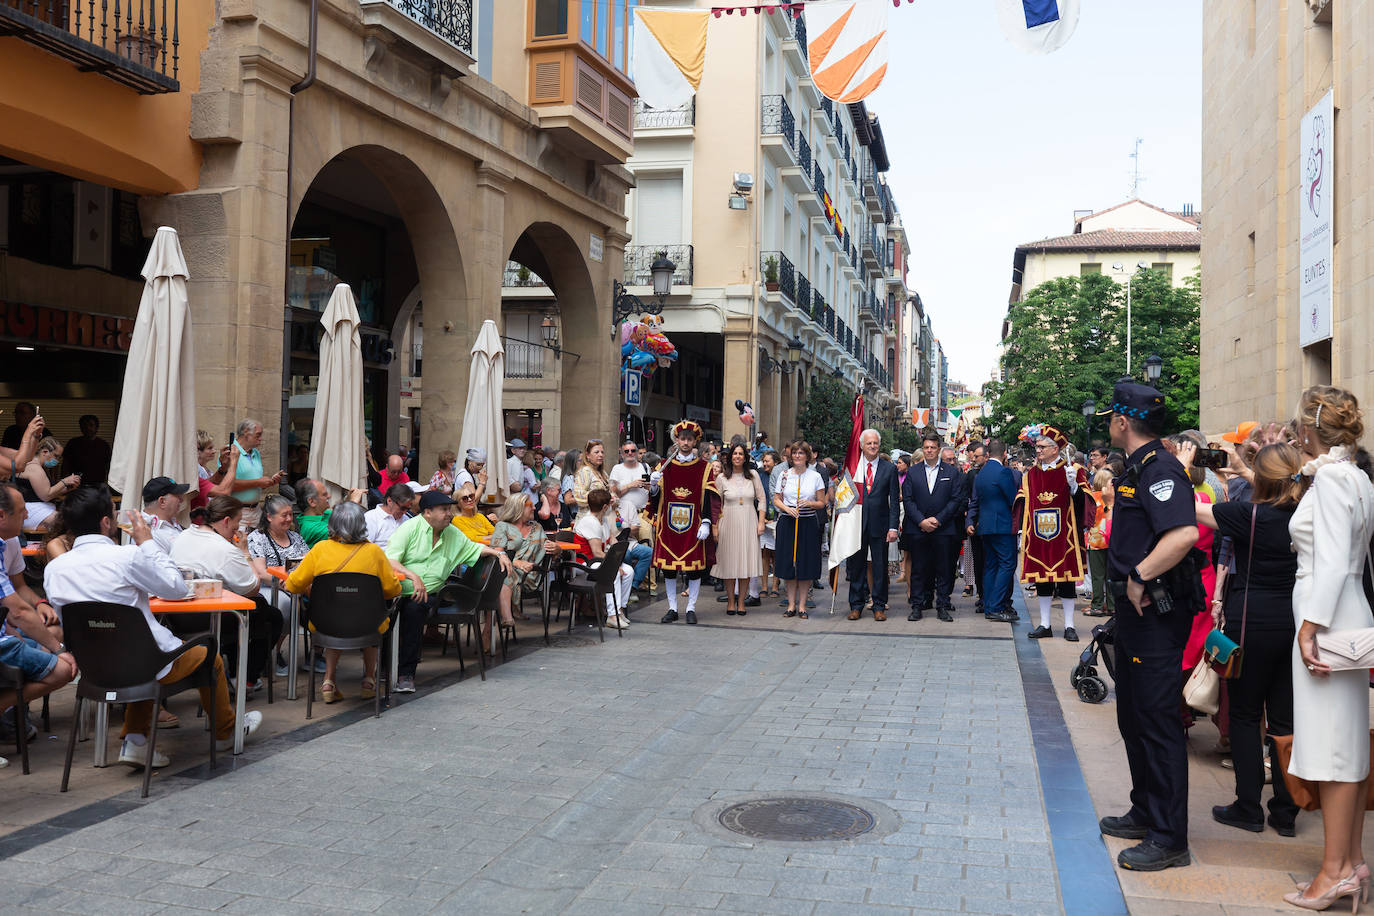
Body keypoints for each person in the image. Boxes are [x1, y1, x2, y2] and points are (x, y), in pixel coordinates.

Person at [44, 486, 261, 769]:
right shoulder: (126, 557)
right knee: (209, 656)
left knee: (139, 651)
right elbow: (175, 587)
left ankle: (135, 740)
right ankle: (226, 731)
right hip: (142, 661)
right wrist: (147, 542)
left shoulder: (55, 568)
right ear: (107, 522)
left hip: (93, 666)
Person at [1096, 380, 1200, 872]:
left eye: (1109, 419)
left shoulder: (1160, 469)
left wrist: (1140, 575)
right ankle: (1146, 811)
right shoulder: (1140, 467)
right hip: (1135, 616)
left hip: (1156, 614)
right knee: (1133, 717)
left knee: (1157, 723)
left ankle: (1168, 836)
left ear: (1121, 421)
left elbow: (1182, 534)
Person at [1281, 386, 1374, 908]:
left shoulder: (1335, 477)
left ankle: (1334, 871)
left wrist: (1310, 627)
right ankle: (1352, 863)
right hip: (1341, 610)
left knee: (1337, 753)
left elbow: (1335, 560)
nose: (1294, 435)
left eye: (1297, 427)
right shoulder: (1355, 475)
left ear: (1309, 430)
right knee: (1347, 748)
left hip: (1328, 615)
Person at [1192, 442, 1301, 838]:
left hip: (1250, 621)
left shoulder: (1245, 514)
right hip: (1294, 623)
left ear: (1262, 478)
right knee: (1286, 720)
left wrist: (1186, 468)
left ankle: (1248, 806)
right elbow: (1281, 484)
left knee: (1244, 714)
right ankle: (1287, 810)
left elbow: (1193, 510)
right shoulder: (1306, 512)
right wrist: (1240, 465)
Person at [385, 490, 514, 692]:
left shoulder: (451, 533)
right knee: (385, 613)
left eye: (449, 509)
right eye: (444, 510)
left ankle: (405, 674)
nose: (449, 514)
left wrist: (499, 553)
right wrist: (413, 576)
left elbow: (474, 548)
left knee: (414, 609)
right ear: (427, 512)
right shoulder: (409, 529)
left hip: (432, 595)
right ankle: (384, 669)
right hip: (398, 591)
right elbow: (390, 560)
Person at [285, 501, 401, 703]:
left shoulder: (320, 549)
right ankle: (369, 680)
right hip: (367, 624)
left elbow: (293, 586)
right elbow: (393, 590)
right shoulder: (374, 552)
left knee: (335, 617)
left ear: (333, 524)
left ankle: (328, 681)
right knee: (369, 618)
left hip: (326, 623)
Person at [171, 496, 283, 691]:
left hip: (177, 617)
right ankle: (245, 679)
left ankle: (231, 674)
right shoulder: (225, 550)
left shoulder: (184, 535)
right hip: (211, 619)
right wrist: (245, 552)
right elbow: (252, 586)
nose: (237, 527)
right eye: (237, 521)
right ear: (226, 521)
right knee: (269, 615)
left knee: (244, 609)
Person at [0, 483, 76, 746]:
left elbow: (17, 592)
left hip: (6, 629)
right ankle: (7, 712)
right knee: (63, 667)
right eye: (22, 511)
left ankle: (14, 715)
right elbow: (18, 610)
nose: (26, 516)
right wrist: (59, 649)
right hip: (5, 635)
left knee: (47, 634)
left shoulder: (6, 544)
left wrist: (41, 603)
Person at [1016, 425, 1089, 642]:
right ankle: (1045, 624)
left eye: (1041, 447)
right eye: (1037, 447)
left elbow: (1084, 502)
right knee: (1042, 581)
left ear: (1055, 449)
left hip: (1065, 533)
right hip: (1039, 535)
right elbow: (1023, 499)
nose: (1037, 451)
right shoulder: (1030, 475)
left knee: (1066, 580)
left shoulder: (1073, 470)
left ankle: (1069, 625)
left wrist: (1074, 485)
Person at [651, 420, 718, 625]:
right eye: (682, 438)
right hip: (669, 527)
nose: (686, 442)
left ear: (695, 441)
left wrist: (706, 522)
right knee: (669, 569)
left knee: (694, 568)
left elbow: (708, 497)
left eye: (689, 439)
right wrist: (653, 485)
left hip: (694, 525)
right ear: (677, 440)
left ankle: (690, 607)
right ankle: (672, 608)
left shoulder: (704, 468)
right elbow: (656, 498)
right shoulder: (664, 465)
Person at [902, 433, 965, 622]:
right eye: (926, 447)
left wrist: (938, 520)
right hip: (918, 528)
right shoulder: (913, 472)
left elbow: (955, 499)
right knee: (919, 569)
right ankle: (917, 606)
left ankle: (943, 606)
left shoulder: (951, 472)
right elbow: (908, 499)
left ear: (939, 449)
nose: (929, 450)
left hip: (944, 529)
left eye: (932, 447)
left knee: (945, 570)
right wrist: (921, 521)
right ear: (923, 449)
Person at [245, 493, 309, 677]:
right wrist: (281, 583)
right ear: (269, 517)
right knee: (285, 604)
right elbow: (260, 572)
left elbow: (309, 561)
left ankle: (316, 653)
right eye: (284, 515)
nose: (289, 519)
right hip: (269, 587)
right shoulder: (258, 538)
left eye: (290, 514)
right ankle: (273, 653)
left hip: (298, 586)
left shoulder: (295, 537)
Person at [844, 430, 900, 622]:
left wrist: (893, 527)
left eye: (875, 443)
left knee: (880, 567)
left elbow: (893, 500)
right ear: (861, 445)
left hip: (880, 526)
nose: (873, 446)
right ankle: (856, 606)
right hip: (856, 525)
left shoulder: (889, 469)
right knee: (856, 567)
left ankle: (878, 606)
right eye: (869, 443)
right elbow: (844, 498)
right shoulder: (853, 468)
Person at [712, 442, 766, 617]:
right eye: (735, 453)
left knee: (745, 562)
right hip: (727, 521)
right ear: (730, 457)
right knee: (729, 563)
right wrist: (715, 527)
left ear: (745, 457)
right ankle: (730, 601)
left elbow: (762, 500)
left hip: (749, 520)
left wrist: (761, 522)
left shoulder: (753, 476)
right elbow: (715, 504)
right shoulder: (721, 478)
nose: (737, 456)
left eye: (740, 454)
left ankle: (742, 602)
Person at [773, 440, 825, 620]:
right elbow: (776, 499)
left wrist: (809, 503)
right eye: (794, 453)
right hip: (788, 521)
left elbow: (822, 502)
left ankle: (802, 605)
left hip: (807, 522)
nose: (797, 456)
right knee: (789, 564)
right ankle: (790, 604)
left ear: (807, 456)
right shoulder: (784, 475)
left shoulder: (815, 476)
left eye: (801, 453)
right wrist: (786, 508)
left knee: (805, 564)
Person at [572, 488, 634, 629]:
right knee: (613, 573)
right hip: (585, 563)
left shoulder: (603, 520)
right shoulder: (590, 522)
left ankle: (619, 610)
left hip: (598, 562)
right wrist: (615, 565)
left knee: (629, 571)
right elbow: (597, 552)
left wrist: (619, 559)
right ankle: (612, 615)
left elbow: (613, 542)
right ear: (605, 507)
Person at [974, 439, 1020, 623]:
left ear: (987, 454)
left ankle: (989, 604)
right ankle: (996, 606)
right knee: (1007, 565)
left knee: (991, 565)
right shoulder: (1003, 472)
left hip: (986, 526)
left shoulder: (982, 473)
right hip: (1002, 525)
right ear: (1004, 454)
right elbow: (1013, 499)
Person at [489, 494, 548, 627]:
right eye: (530, 505)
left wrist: (556, 549)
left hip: (531, 575)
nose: (534, 508)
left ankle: (495, 626)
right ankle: (506, 618)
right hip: (508, 570)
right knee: (503, 573)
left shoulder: (537, 528)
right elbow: (498, 553)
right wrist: (516, 563)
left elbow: (547, 549)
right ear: (518, 508)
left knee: (500, 576)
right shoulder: (502, 526)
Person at [229, 419, 285, 529]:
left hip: (256, 510)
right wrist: (258, 482)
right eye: (258, 435)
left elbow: (255, 485)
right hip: (237, 511)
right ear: (246, 432)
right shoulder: (230, 451)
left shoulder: (255, 453)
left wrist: (270, 482)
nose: (260, 439)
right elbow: (228, 485)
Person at [16, 437, 81, 531]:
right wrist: (64, 482)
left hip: (39, 508)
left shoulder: (38, 467)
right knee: (67, 522)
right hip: (31, 511)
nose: (57, 460)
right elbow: (46, 495)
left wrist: (68, 488)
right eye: (56, 456)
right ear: (45, 452)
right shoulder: (34, 468)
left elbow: (50, 490)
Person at [296, 478, 365, 548]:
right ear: (312, 501)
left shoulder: (323, 513)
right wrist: (354, 503)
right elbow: (347, 529)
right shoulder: (311, 528)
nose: (329, 496)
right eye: (324, 494)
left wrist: (348, 499)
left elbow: (339, 514)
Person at [1084, 469, 1116, 617]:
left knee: (1097, 576)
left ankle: (1096, 605)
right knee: (1110, 575)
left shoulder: (1091, 497)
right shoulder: (1114, 497)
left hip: (1095, 540)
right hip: (1112, 538)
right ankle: (1112, 605)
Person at [961, 443, 988, 604]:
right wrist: (970, 518)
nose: (974, 458)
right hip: (975, 523)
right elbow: (968, 498)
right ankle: (979, 591)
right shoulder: (971, 475)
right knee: (976, 559)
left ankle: (986, 593)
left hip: (987, 523)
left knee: (986, 561)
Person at [139, 476, 190, 554]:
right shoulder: (148, 532)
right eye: (177, 496)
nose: (181, 500)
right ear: (162, 501)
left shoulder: (170, 521)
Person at [609, 441, 651, 535]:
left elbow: (651, 491)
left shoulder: (645, 467)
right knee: (625, 545)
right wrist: (630, 485)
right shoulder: (617, 469)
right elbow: (613, 494)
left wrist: (649, 487)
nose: (630, 453)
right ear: (622, 454)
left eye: (633, 450)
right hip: (623, 514)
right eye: (626, 451)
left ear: (636, 452)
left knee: (647, 542)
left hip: (642, 514)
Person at [62, 415, 112, 485]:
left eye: (91, 425)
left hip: (98, 485)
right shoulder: (73, 443)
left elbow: (109, 466)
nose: (87, 428)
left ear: (96, 427)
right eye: (84, 425)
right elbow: (65, 464)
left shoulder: (104, 445)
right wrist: (64, 482)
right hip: (75, 485)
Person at [572, 439, 613, 525]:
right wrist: (601, 499)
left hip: (602, 519)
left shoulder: (603, 473)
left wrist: (612, 498)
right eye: (596, 452)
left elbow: (610, 492)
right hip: (587, 520)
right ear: (587, 455)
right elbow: (579, 496)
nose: (600, 455)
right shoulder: (585, 471)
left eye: (602, 452)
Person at [365, 483, 412, 549]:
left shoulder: (406, 520)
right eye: (402, 508)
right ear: (389, 501)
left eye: (408, 509)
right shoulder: (371, 518)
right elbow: (364, 548)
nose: (405, 512)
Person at [758, 450, 779, 598]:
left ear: (776, 462)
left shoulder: (781, 477)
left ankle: (776, 586)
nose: (765, 464)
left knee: (776, 555)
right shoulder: (760, 477)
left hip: (777, 519)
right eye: (764, 461)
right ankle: (764, 586)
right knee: (764, 554)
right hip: (763, 520)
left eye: (768, 461)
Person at [893, 454, 911, 585]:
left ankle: (906, 572)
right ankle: (903, 571)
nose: (898, 465)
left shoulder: (909, 477)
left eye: (900, 463)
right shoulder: (896, 476)